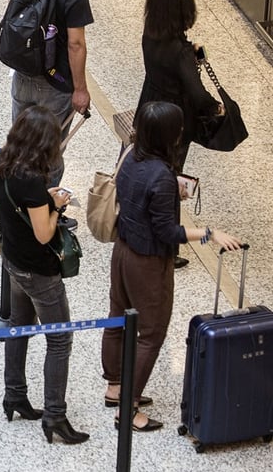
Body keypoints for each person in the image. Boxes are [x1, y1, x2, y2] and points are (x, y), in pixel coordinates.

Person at [101, 101, 240, 431]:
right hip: (148, 262)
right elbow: (168, 232)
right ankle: (128, 408)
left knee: (117, 318)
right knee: (151, 333)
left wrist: (168, 190)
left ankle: (114, 386)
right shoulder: (162, 175)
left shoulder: (132, 153)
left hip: (122, 250)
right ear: (169, 135)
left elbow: (139, 194)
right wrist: (209, 233)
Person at [0, 105, 88, 445]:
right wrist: (55, 204)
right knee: (59, 339)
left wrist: (40, 202)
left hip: (12, 261)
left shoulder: (2, 163)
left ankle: (14, 394)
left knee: (19, 327)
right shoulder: (32, 180)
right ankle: (55, 415)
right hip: (38, 271)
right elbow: (45, 234)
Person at [137, 0, 223, 269]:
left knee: (148, 170)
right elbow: (197, 95)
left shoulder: (149, 34)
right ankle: (168, 248)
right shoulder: (180, 51)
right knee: (170, 178)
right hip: (174, 121)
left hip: (149, 107)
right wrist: (217, 109)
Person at [7, 0, 93, 185]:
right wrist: (80, 89)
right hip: (55, 84)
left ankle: (12, 202)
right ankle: (45, 209)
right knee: (49, 154)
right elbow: (75, 44)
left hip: (22, 71)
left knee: (18, 142)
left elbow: (13, 10)